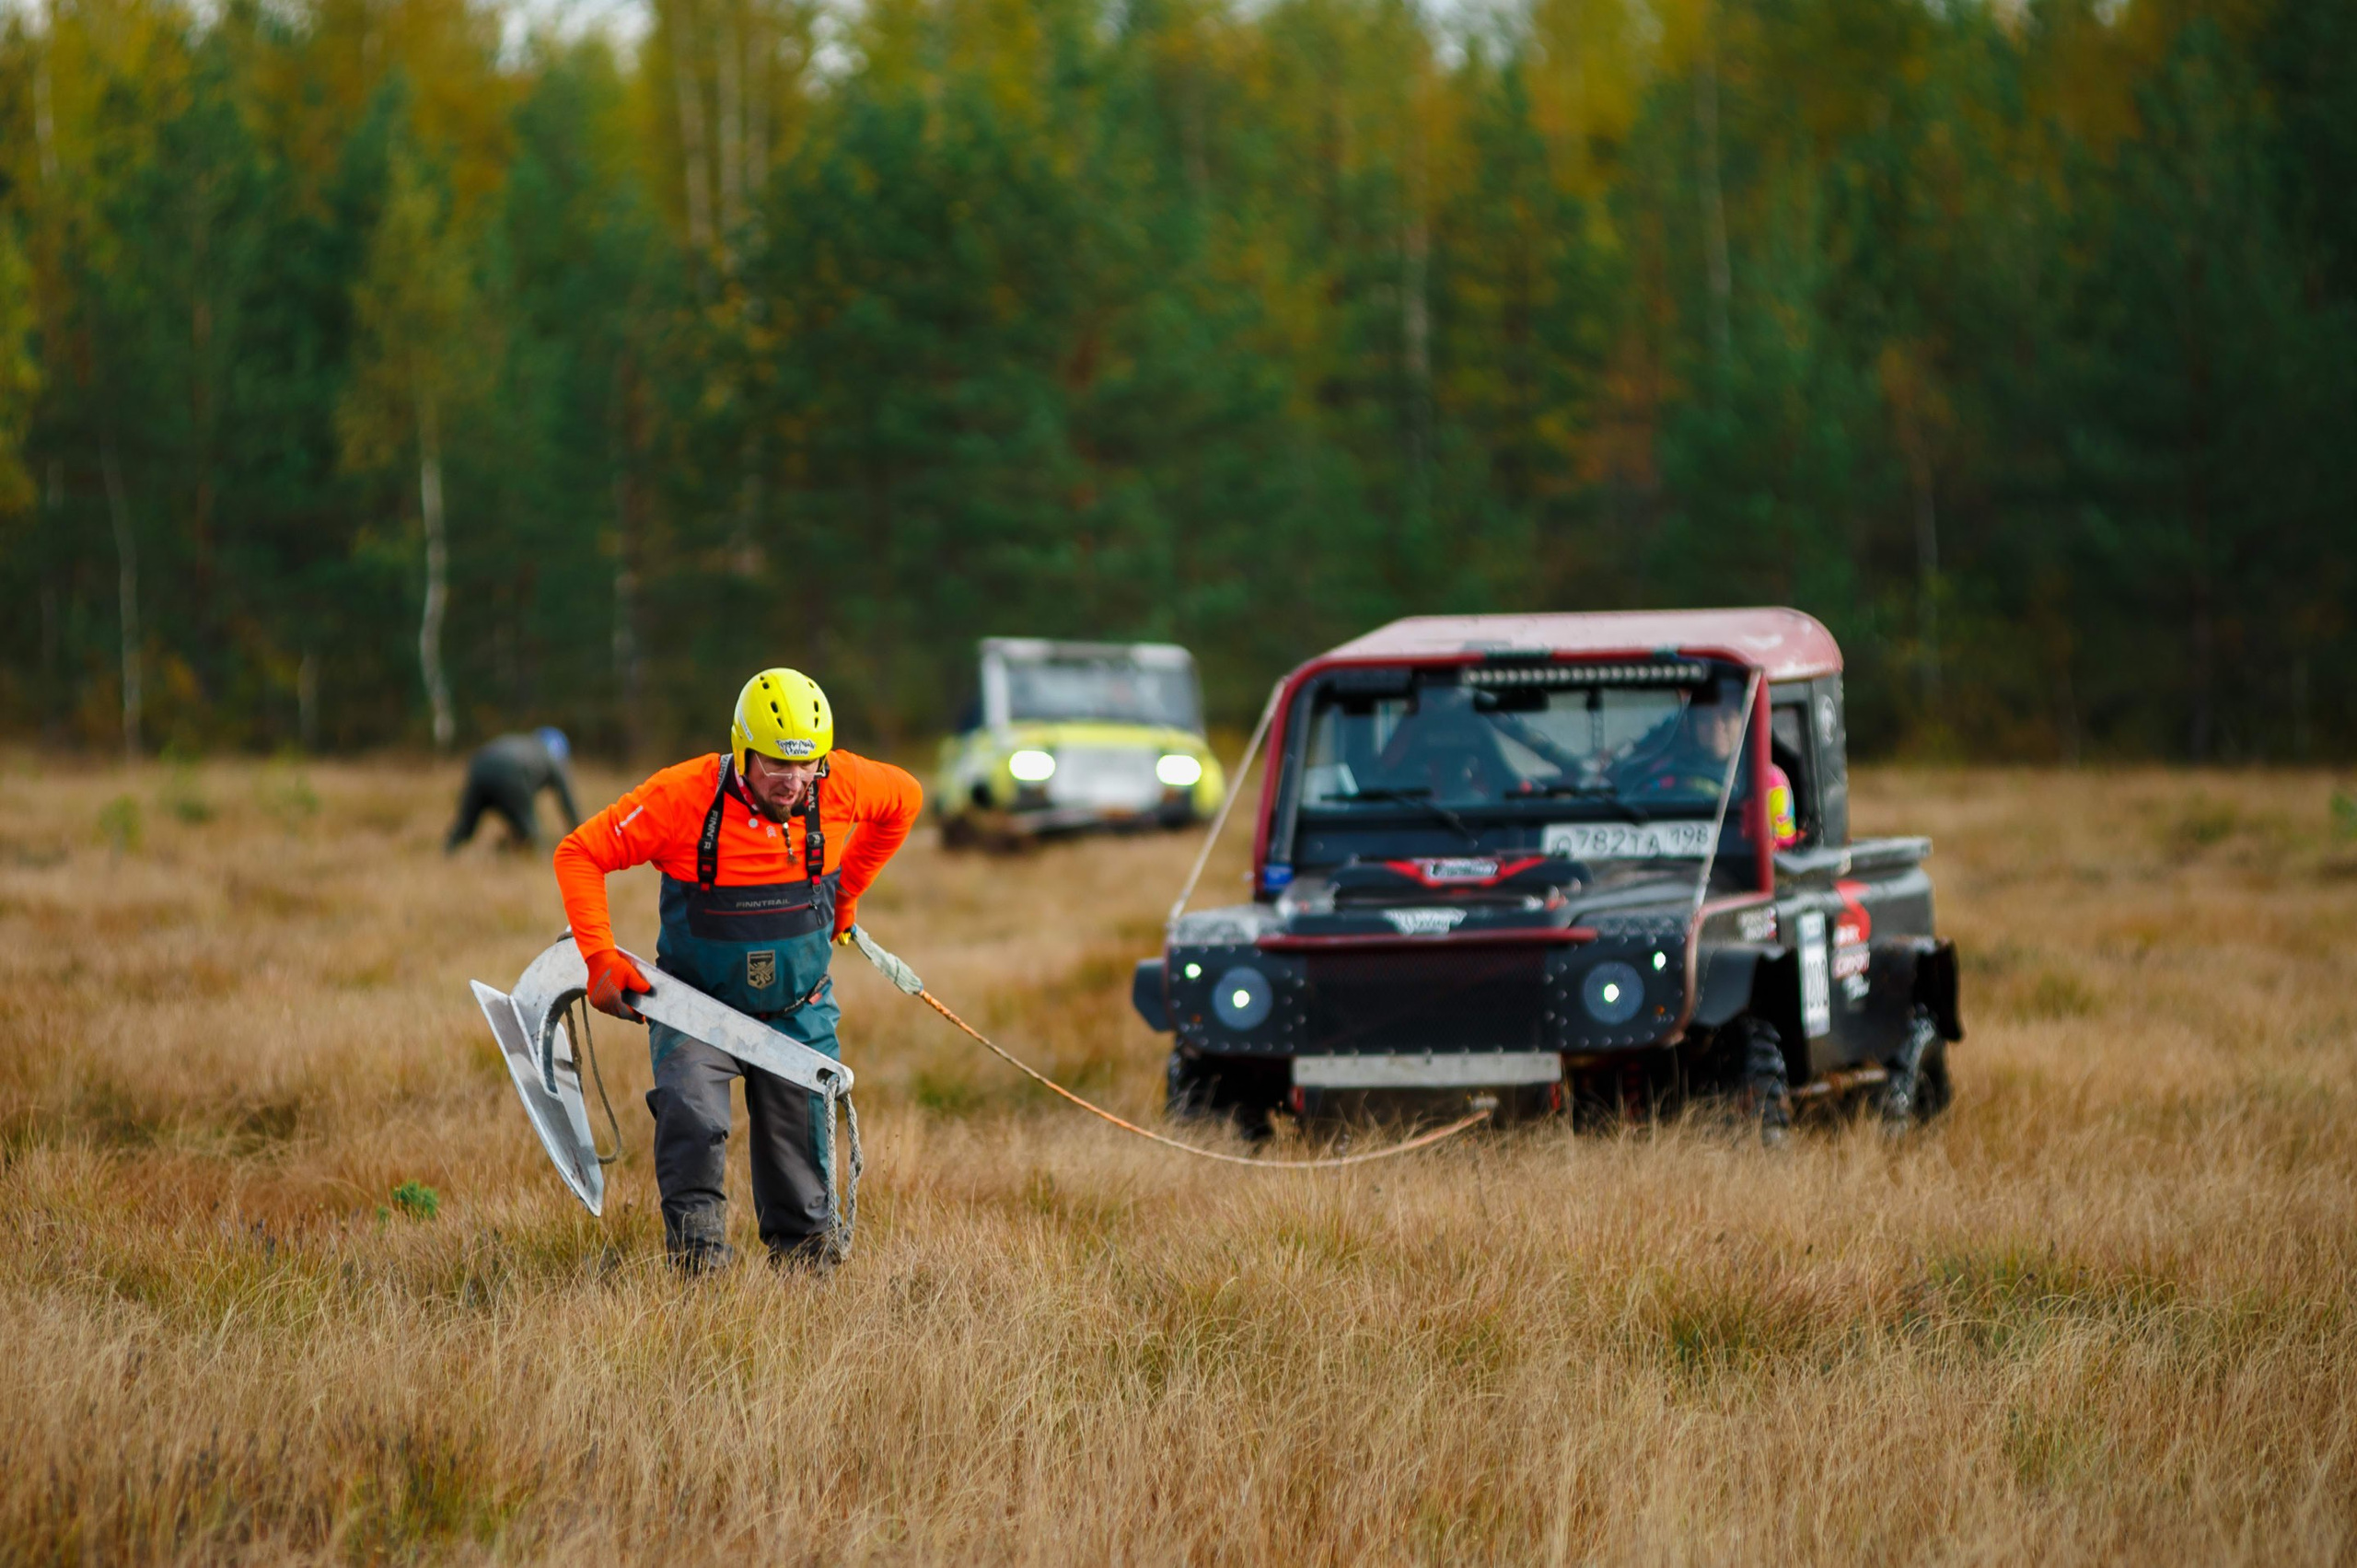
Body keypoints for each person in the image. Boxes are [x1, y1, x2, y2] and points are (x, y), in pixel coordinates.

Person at [552, 670, 922, 1273]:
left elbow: (906, 799)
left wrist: (846, 894)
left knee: (801, 1149)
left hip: (799, 1011)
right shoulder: (681, 797)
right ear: (743, 748)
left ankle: (807, 1283)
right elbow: (580, 852)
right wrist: (600, 959)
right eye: (776, 762)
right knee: (691, 1119)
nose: (794, 779)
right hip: (695, 1010)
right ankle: (700, 1275)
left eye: (807, 763)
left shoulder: (842, 783)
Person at [446, 728, 580, 853]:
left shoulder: (526, 745)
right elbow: (567, 802)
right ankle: (539, 856)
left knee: (466, 825)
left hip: (479, 765)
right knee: (531, 833)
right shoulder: (552, 759)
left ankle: (448, 850)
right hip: (511, 773)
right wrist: (580, 837)